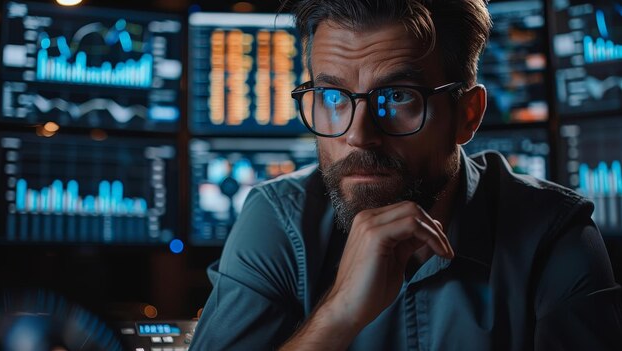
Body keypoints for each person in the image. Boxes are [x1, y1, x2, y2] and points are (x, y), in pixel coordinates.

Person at [189, 0, 622, 349]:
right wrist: (338, 315)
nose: (359, 135)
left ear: (467, 116)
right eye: (333, 96)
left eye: (397, 97)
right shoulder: (278, 220)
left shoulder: (553, 235)